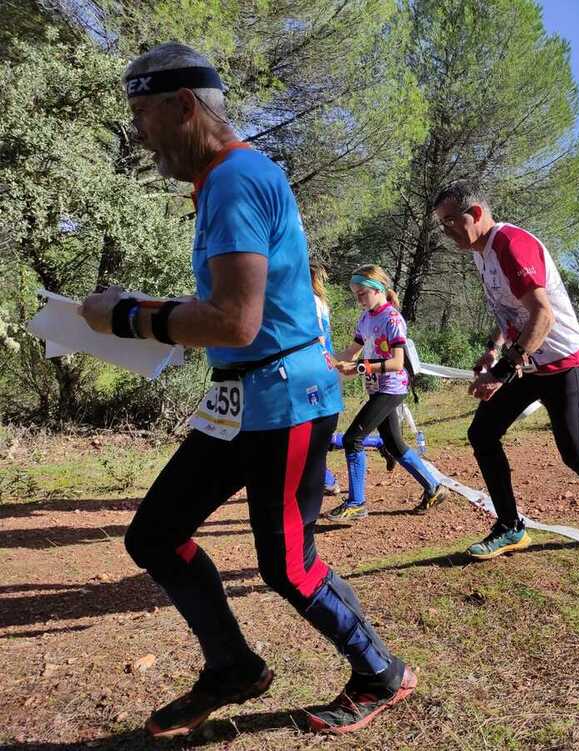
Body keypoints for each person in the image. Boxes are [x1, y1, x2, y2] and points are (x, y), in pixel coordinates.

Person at [80, 43, 414, 738]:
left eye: (142, 114)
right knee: (156, 533)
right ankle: (232, 664)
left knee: (287, 563)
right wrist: (146, 309)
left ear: (183, 106)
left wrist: (127, 316)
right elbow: (232, 309)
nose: (137, 133)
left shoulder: (235, 178)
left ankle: (382, 671)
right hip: (239, 399)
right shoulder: (222, 182)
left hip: (286, 399)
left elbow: (236, 320)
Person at [432, 180, 579, 559]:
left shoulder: (510, 245)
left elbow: (542, 315)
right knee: (482, 433)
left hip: (563, 363)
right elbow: (511, 312)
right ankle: (510, 526)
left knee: (576, 453)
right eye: (441, 223)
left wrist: (499, 373)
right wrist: (493, 350)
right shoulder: (480, 253)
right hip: (528, 362)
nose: (446, 231)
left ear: (477, 214)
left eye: (450, 221)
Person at [326, 265, 449, 524]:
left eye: (362, 293)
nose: (358, 299)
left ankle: (357, 503)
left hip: (391, 389)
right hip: (376, 388)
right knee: (393, 443)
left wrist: (360, 368)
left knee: (353, 439)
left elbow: (396, 362)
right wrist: (326, 359)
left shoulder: (392, 319)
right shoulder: (365, 318)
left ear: (378, 290)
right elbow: (351, 353)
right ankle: (434, 487)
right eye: (356, 294)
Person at [310, 261, 340, 495]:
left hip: (318, 368)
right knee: (317, 428)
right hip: (325, 366)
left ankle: (327, 479)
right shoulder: (320, 301)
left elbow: (319, 338)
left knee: (313, 429)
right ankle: (381, 444)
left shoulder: (311, 301)